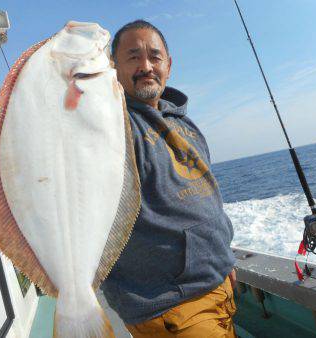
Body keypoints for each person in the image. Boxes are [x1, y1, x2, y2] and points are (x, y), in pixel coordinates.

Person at [101, 19, 237, 338]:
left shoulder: (184, 124)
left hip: (219, 285)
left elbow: (207, 198)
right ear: (112, 67)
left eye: (155, 56)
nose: (146, 66)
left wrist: (224, 259)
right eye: (133, 56)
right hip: (170, 306)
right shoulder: (111, 125)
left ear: (169, 65)